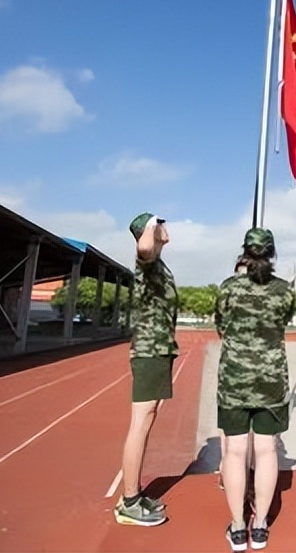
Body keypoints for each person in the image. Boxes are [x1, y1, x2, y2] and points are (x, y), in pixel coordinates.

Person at [215, 227, 296, 552]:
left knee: (235, 452)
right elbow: (282, 323)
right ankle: (260, 526)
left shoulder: (228, 288)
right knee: (266, 451)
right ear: (272, 253)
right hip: (271, 379)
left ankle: (238, 528)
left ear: (245, 253)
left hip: (234, 378)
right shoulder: (284, 291)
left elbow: (221, 326)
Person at [114, 213, 176, 527]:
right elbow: (143, 250)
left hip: (159, 350)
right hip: (150, 351)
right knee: (141, 420)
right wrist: (148, 227)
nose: (166, 226)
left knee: (147, 418)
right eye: (159, 222)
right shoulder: (148, 262)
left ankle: (134, 492)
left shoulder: (160, 267)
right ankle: (128, 501)